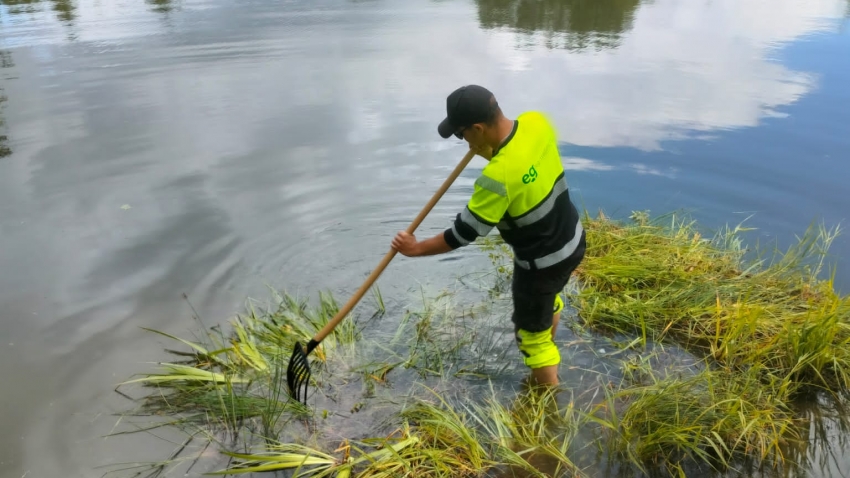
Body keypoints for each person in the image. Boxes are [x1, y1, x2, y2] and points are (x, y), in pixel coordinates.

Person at [391, 84, 586, 387]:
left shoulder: (496, 179)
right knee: (548, 301)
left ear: (478, 129)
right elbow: (523, 167)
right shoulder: (537, 122)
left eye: (461, 134)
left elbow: (463, 233)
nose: (462, 140)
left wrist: (414, 249)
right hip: (572, 240)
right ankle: (546, 332)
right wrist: (489, 152)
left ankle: (546, 405)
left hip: (541, 264)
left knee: (531, 339)